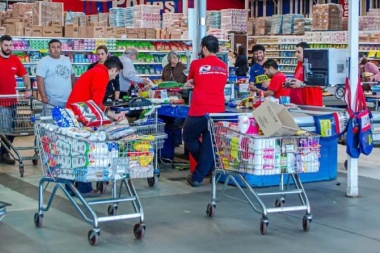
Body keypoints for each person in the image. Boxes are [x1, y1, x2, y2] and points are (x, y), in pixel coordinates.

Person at [65, 56, 126, 197]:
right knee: (87, 151)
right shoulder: (101, 75)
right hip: (80, 115)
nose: (114, 78)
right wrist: (111, 118)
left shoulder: (94, 71)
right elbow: (96, 103)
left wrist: (109, 115)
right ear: (113, 69)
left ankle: (70, 186)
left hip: (74, 112)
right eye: (116, 74)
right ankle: (84, 188)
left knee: (75, 151)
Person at [183, 35, 228, 187]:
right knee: (209, 143)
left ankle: (202, 171)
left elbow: (189, 82)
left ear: (203, 48)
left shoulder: (196, 64)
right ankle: (200, 174)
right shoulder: (223, 66)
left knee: (188, 137)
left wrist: (193, 83)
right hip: (218, 109)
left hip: (199, 108)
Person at [0, 35, 32, 165]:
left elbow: (24, 75)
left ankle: (3, 152)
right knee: (5, 129)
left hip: (12, 101)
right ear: (1, 45)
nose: (8, 48)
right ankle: (5, 153)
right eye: (5, 45)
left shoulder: (15, 60)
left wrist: (28, 88)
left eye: (10, 45)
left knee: (12, 129)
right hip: (0, 102)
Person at [36, 39, 76, 114]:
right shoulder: (43, 61)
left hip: (68, 99)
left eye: (58, 47)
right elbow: (39, 80)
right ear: (49, 49)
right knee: (51, 123)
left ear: (61, 48)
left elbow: (72, 75)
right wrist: (43, 97)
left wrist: (74, 92)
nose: (56, 49)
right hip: (52, 101)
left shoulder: (66, 60)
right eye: (53, 47)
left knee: (67, 123)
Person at [287, 42, 323, 106]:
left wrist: (302, 84)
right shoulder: (300, 64)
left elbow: (317, 83)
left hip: (311, 103)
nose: (296, 54)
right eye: (295, 52)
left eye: (299, 52)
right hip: (299, 103)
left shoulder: (315, 65)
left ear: (306, 52)